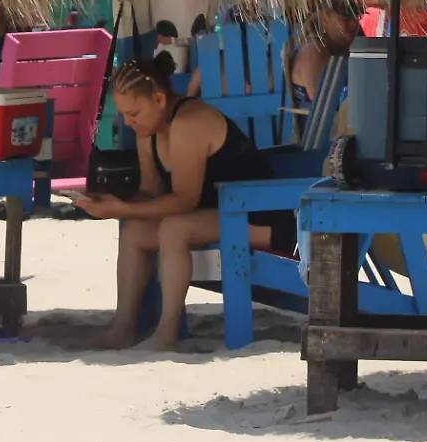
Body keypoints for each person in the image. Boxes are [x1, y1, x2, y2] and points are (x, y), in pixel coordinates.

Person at [71, 58, 296, 350]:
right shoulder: (148, 131)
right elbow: (150, 193)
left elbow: (183, 201)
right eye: (125, 115)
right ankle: (123, 328)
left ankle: (167, 332)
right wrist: (108, 201)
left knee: (174, 229)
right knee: (136, 232)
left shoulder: (190, 122)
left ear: (159, 99)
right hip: (217, 215)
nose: (129, 122)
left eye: (134, 113)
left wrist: (120, 209)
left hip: (259, 217)